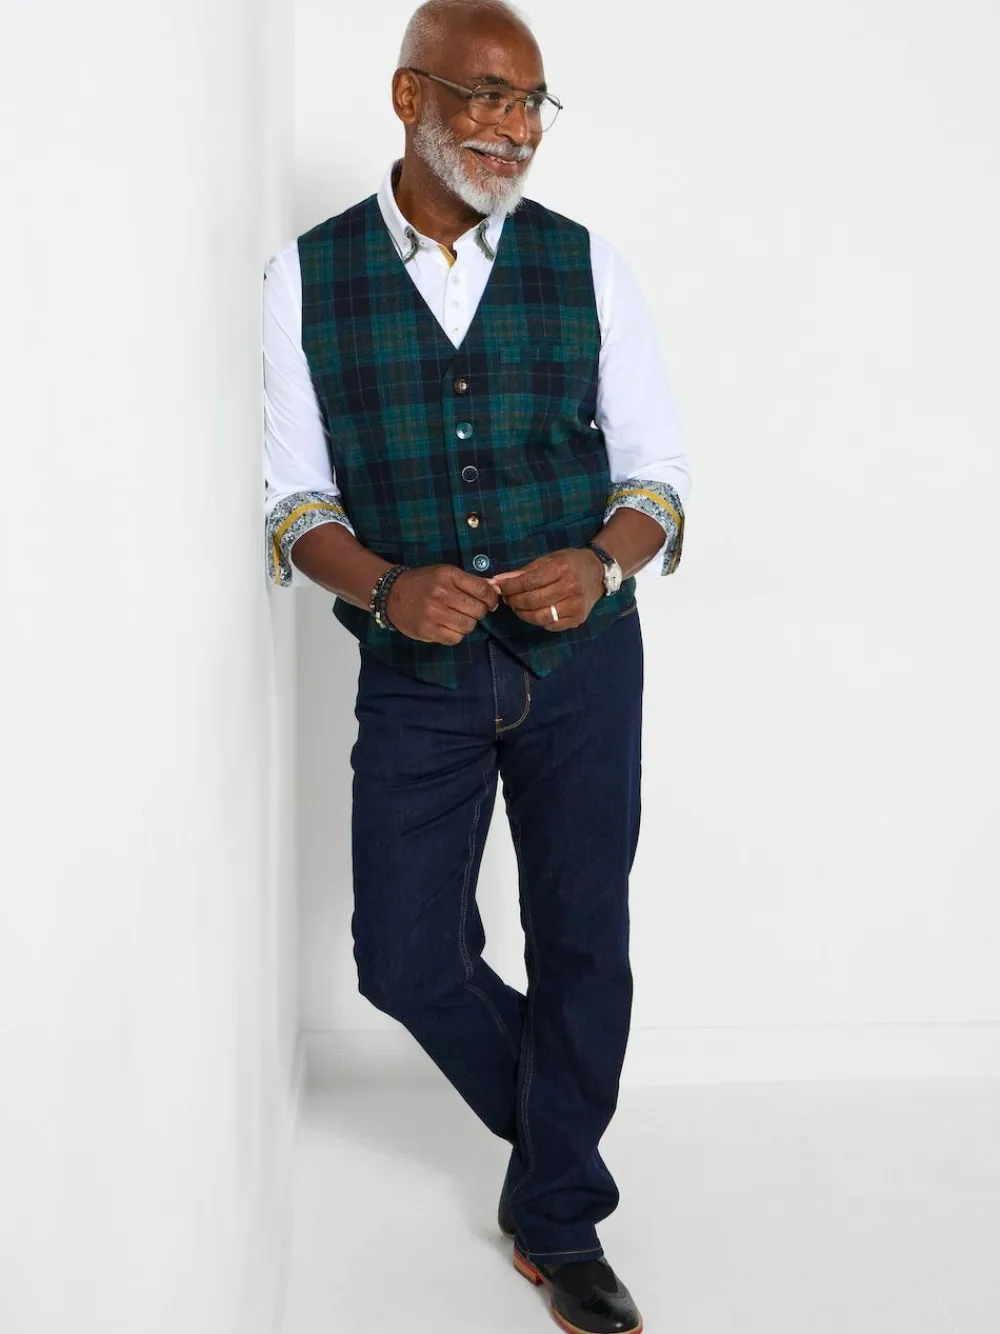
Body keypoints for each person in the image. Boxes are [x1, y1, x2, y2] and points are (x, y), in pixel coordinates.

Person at [263, 1, 690, 1328]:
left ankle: (558, 1221)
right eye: (487, 96)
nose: (514, 128)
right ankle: (562, 1138)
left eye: (531, 103)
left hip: (584, 671)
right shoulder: (306, 277)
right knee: (403, 956)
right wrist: (386, 585)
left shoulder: (587, 264)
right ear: (412, 98)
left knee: (583, 937)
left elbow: (658, 478)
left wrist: (602, 562)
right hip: (417, 677)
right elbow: (294, 502)